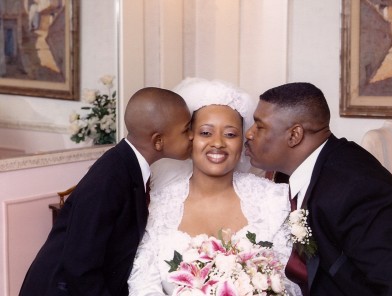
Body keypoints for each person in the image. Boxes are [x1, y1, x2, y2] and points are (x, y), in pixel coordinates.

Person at [244, 82, 392, 295]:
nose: (248, 134)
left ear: (294, 135)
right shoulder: (306, 169)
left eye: (259, 126)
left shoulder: (357, 190)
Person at [128, 77, 301, 295]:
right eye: (206, 133)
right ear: (190, 138)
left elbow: (289, 283)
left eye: (230, 134)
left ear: (242, 141)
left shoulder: (273, 200)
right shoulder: (158, 206)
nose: (218, 143)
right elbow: (142, 285)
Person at [19, 87, 193, 296]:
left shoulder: (127, 166)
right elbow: (80, 264)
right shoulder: (110, 177)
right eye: (186, 130)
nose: (192, 136)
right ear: (158, 141)